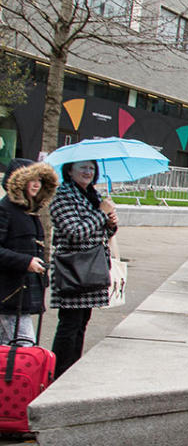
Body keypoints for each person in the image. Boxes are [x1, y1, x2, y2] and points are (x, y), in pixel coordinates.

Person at [50, 160, 117, 375]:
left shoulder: (92, 195)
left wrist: (110, 223)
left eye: (92, 168)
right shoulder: (63, 196)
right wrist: (100, 214)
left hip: (91, 267)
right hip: (73, 269)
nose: (89, 172)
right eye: (83, 168)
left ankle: (71, 369)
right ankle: (59, 372)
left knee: (81, 323)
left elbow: (100, 234)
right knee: (69, 325)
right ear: (69, 171)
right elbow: (74, 232)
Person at [0, 161, 57, 345]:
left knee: (8, 348)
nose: (36, 184)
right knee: (25, 345)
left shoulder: (29, 211)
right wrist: (25, 261)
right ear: (18, 182)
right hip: (8, 293)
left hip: (20, 292)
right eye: (31, 179)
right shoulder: (5, 209)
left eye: (39, 180)